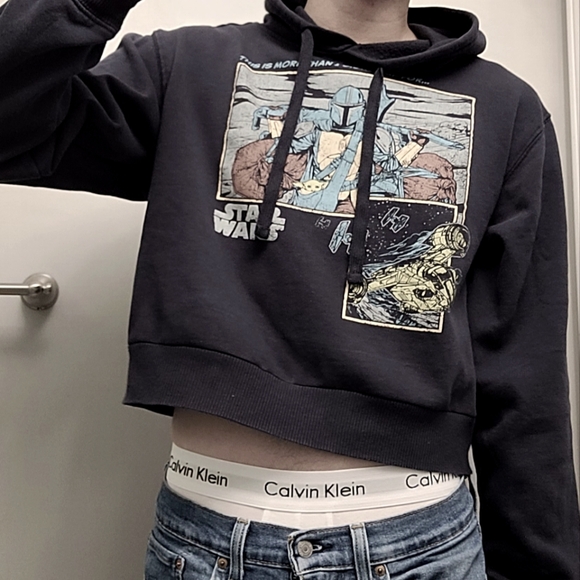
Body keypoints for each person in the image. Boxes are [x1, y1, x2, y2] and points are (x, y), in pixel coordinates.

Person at [0, 0, 579, 577]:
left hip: (419, 543)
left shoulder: (507, 108)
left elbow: (526, 369)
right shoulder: (189, 63)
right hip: (204, 539)